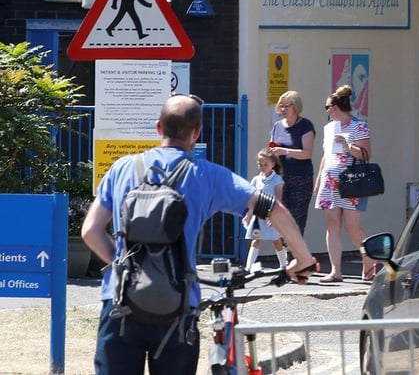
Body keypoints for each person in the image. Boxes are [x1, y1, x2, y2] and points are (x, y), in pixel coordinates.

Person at [80, 93, 318, 375]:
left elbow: (91, 231)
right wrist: (302, 258)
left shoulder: (122, 168)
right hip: (177, 306)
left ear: (158, 128)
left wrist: (122, 264)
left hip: (120, 303)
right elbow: (274, 210)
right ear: (197, 132)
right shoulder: (207, 175)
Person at [314, 84, 375, 283]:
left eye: (328, 107)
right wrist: (319, 178)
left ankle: (369, 259)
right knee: (332, 224)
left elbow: (366, 154)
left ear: (337, 107)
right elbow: (326, 155)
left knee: (352, 227)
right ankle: (335, 270)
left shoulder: (359, 126)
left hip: (351, 180)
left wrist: (348, 147)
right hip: (330, 180)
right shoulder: (329, 128)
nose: (327, 111)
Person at [268, 91, 317, 235]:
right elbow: (270, 148)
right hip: (280, 179)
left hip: (301, 179)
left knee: (296, 221)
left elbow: (307, 153)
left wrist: (285, 151)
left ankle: (295, 256)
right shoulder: (277, 126)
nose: (283, 109)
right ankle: (284, 256)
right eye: (281, 106)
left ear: (296, 107)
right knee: (279, 218)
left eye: (286, 106)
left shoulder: (305, 125)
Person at [243, 147, 288, 271]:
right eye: (260, 164)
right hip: (258, 216)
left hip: (272, 216)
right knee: (256, 240)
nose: (262, 167)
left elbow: (278, 199)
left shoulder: (277, 180)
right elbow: (253, 199)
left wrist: (274, 216)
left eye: (266, 164)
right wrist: (248, 214)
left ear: (273, 164)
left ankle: (284, 266)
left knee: (276, 241)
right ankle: (248, 268)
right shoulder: (256, 180)